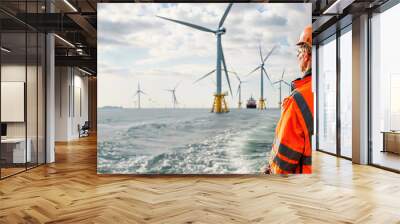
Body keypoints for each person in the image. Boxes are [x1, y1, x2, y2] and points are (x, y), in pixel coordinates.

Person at [264, 25, 314, 174]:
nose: (297, 56)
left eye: (299, 52)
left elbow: (281, 166)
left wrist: (270, 170)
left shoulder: (298, 101)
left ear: (306, 55)